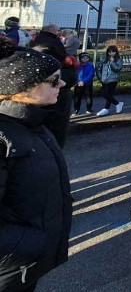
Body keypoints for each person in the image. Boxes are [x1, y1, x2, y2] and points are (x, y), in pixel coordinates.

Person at [0, 41, 73, 291]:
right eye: (53, 80)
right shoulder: (4, 136)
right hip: (13, 264)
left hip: (24, 266)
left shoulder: (33, 125)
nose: (62, 85)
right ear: (22, 88)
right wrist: (34, 244)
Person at [96, 45, 124, 117]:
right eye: (109, 52)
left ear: (116, 52)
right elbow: (98, 68)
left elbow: (117, 69)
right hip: (104, 79)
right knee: (104, 93)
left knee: (108, 94)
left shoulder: (119, 60)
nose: (111, 53)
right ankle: (117, 104)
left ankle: (107, 108)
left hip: (113, 80)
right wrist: (100, 77)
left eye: (113, 52)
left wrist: (112, 63)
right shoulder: (104, 59)